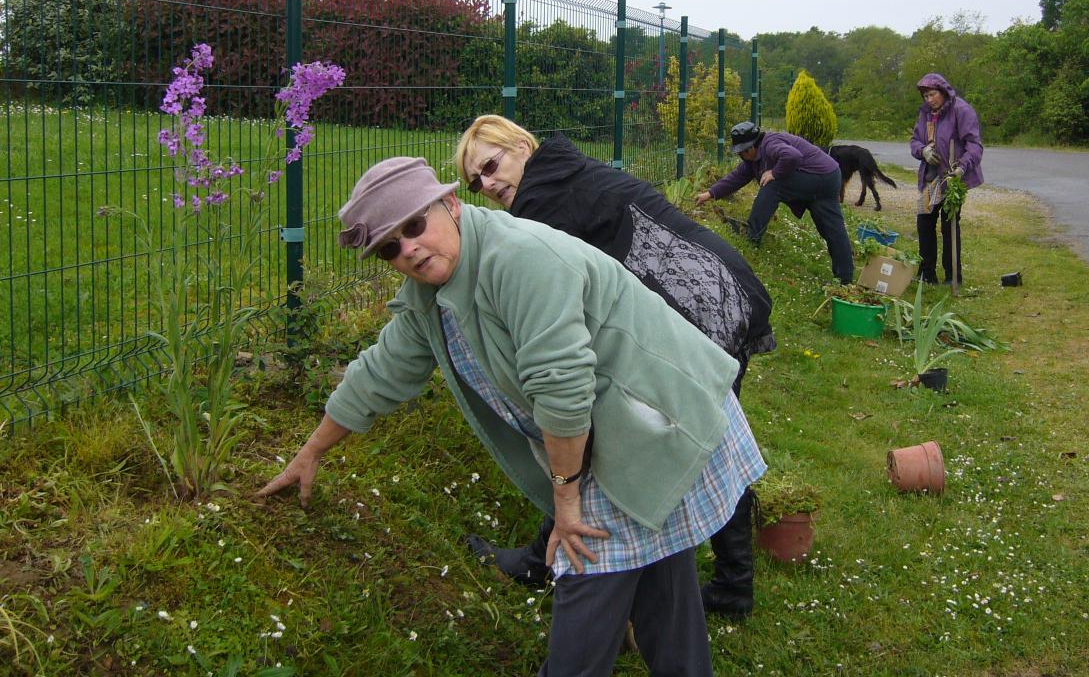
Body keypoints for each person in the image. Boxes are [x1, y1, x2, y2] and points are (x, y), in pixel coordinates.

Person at [256, 157, 764, 677]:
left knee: (586, 580)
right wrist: (312, 450)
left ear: (450, 205)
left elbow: (562, 387)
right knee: (662, 580)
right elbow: (381, 371)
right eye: (390, 246)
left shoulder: (518, 258)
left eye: (413, 225)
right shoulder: (429, 293)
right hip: (619, 430)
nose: (407, 248)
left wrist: (565, 498)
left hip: (658, 419)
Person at [454, 115, 774, 617]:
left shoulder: (540, 200)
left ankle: (556, 559)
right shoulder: (564, 169)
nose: (489, 185)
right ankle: (732, 583)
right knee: (710, 432)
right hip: (723, 280)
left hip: (700, 301)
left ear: (520, 144)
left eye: (491, 166)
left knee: (689, 432)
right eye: (476, 182)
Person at [694, 121, 854, 285]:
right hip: (829, 176)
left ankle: (752, 235)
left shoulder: (770, 144)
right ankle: (844, 280)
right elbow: (736, 177)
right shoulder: (753, 159)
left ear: (750, 147)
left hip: (821, 177)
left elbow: (793, 156)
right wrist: (710, 193)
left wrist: (775, 172)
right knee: (831, 228)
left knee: (772, 184)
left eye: (741, 152)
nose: (740, 156)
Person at [908, 73, 983, 285]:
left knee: (949, 225)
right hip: (931, 179)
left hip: (952, 178)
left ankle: (953, 276)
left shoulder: (961, 110)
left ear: (943, 91)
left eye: (932, 94)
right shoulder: (925, 114)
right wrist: (922, 151)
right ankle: (927, 274)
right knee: (924, 223)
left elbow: (975, 146)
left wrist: (962, 167)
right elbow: (914, 141)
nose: (929, 100)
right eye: (925, 96)